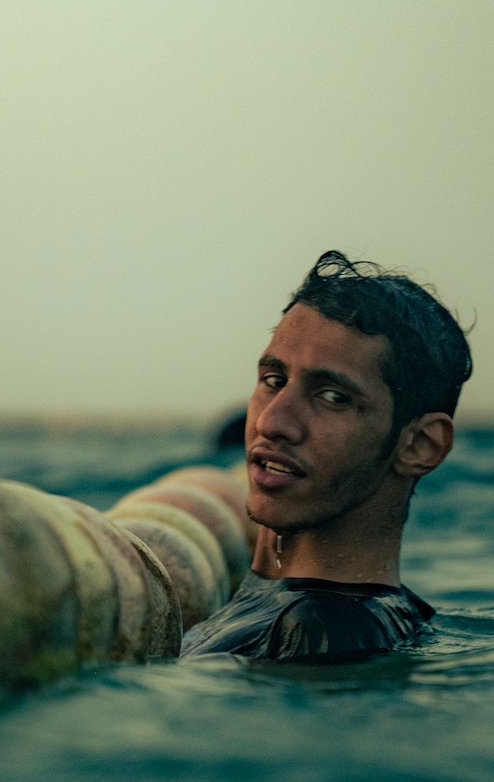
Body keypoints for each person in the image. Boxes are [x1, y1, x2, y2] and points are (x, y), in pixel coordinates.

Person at [181, 250, 471, 663]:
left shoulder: (320, 632)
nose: (272, 421)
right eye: (273, 380)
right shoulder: (386, 616)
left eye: (332, 397)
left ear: (419, 446)